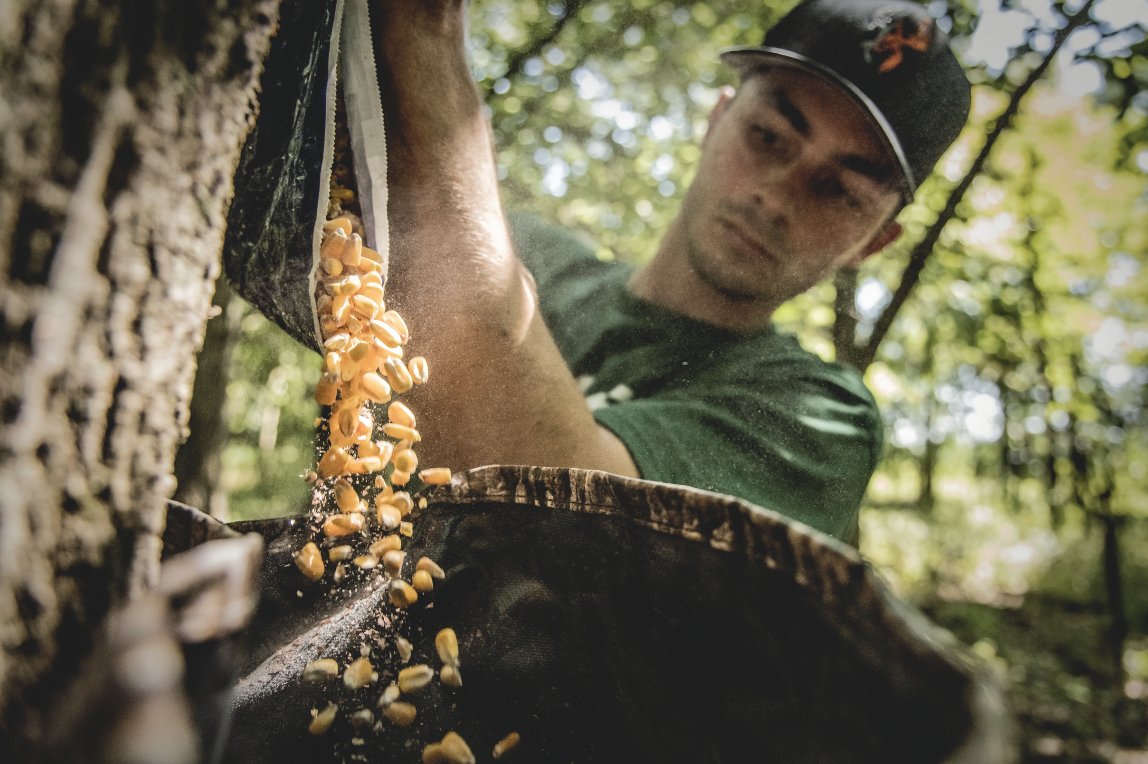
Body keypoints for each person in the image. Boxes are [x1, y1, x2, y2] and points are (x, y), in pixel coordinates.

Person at [372, 0, 970, 542]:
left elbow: (563, 511)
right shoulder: (524, 252)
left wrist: (425, 38)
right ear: (716, 122)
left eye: (839, 190)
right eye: (767, 136)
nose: (776, 197)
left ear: (873, 242)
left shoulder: (815, 421)